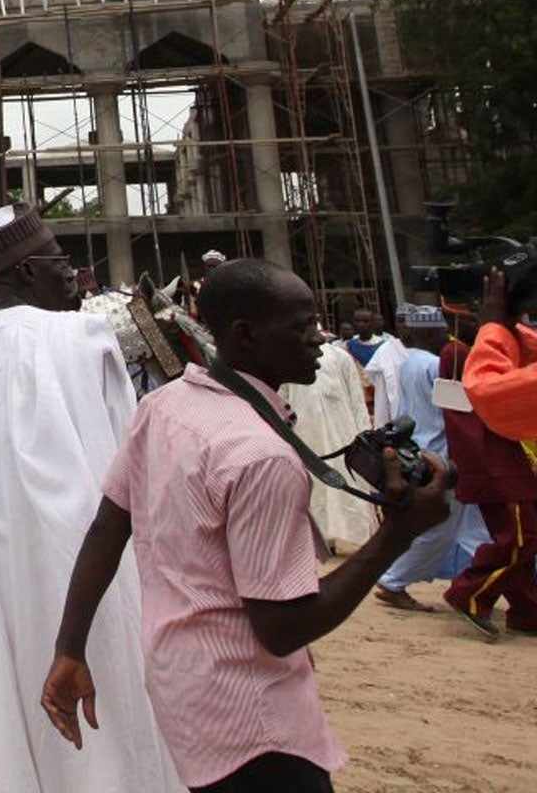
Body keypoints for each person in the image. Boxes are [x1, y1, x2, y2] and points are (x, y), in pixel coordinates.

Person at [44, 258, 454, 793]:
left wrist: (68, 649)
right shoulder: (261, 457)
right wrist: (396, 535)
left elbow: (105, 529)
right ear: (245, 335)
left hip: (184, 685)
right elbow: (283, 628)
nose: (319, 339)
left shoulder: (163, 406)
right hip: (254, 717)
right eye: (302, 326)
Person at [0, 203, 180, 793]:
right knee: (117, 730)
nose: (72, 274)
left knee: (17, 731)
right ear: (26, 273)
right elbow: (137, 475)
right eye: (60, 262)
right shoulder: (87, 340)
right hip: (96, 578)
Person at [443, 264, 537, 637]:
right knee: (521, 537)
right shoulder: (456, 353)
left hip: (505, 456)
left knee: (522, 538)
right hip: (496, 460)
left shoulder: (479, 351)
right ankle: (476, 594)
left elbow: (493, 388)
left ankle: (516, 605)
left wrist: (497, 328)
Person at [371, 304, 470, 610]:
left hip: (421, 448)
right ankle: (393, 581)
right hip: (439, 455)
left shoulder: (410, 362)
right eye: (442, 330)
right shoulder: (432, 365)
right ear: (427, 331)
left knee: (470, 525)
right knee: (441, 526)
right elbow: (458, 408)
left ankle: (481, 585)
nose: (447, 335)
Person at [279, 326, 377, 551]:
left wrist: (363, 433)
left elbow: (356, 398)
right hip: (305, 433)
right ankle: (321, 541)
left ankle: (359, 538)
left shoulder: (340, 357)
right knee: (315, 489)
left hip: (343, 434)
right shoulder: (287, 361)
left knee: (349, 484)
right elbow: (281, 400)